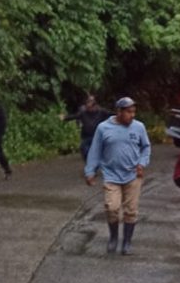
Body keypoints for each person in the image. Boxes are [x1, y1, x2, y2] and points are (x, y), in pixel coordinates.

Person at [85, 97, 151, 255]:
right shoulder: (103, 128)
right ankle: (113, 237)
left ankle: (127, 242)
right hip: (111, 175)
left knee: (131, 210)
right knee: (112, 207)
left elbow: (146, 147)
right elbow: (95, 150)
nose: (132, 115)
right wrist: (90, 171)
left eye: (134, 111)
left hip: (133, 174)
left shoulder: (139, 127)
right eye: (129, 112)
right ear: (119, 111)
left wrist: (142, 163)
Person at [60, 94, 111, 161]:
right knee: (84, 150)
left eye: (91, 106)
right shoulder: (83, 112)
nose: (89, 108)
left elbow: (111, 114)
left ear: (95, 106)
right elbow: (75, 116)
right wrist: (64, 118)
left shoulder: (101, 111)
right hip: (86, 136)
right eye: (88, 106)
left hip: (97, 135)